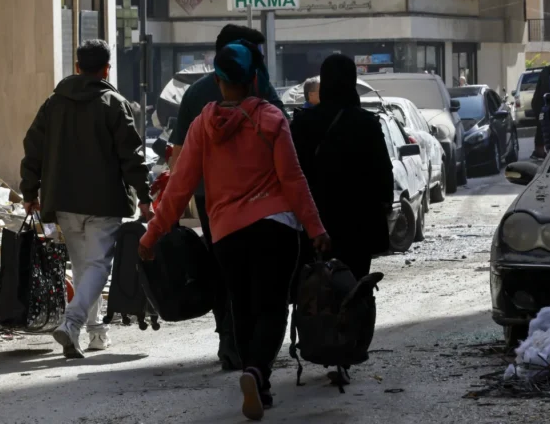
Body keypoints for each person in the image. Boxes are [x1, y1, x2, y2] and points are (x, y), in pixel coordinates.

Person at [139, 41, 331, 421]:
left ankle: (255, 377)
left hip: (227, 235)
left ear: (219, 81)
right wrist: (316, 228)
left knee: (241, 307)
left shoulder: (202, 126)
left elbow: (179, 186)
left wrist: (152, 233)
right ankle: (257, 373)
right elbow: (293, 180)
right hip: (275, 229)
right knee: (272, 306)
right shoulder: (271, 119)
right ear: (254, 79)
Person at [20, 40, 152, 359]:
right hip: (104, 201)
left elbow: (33, 147)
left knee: (83, 268)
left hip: (63, 200)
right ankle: (73, 323)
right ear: (107, 69)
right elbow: (132, 156)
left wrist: (30, 192)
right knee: (98, 266)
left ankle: (96, 333)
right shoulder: (114, 103)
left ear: (77, 67)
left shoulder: (54, 103)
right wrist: (145, 196)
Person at [169, 24, 285, 370]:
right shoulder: (260, 89)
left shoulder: (195, 94)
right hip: (260, 201)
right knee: (258, 276)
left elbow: (178, 159)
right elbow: (286, 143)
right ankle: (253, 351)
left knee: (224, 269)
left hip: (213, 202)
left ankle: (229, 339)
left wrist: (169, 213)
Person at [290, 54, 393, 281]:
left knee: (314, 287)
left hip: (314, 223)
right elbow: (383, 174)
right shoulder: (366, 124)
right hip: (357, 225)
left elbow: (292, 172)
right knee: (354, 286)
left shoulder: (302, 124)